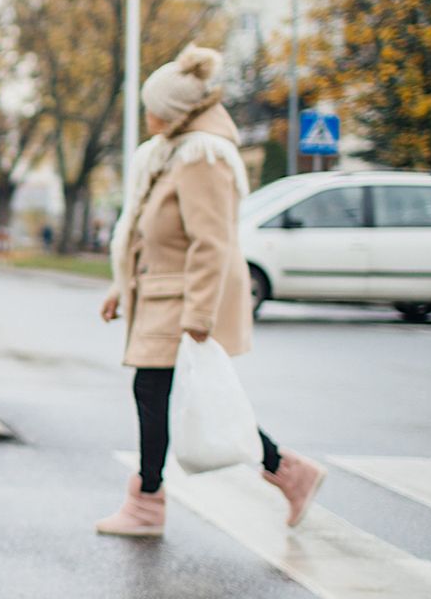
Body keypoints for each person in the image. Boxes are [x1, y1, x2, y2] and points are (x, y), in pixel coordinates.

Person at [96, 46, 325, 536]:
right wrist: (122, 286)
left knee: (153, 392)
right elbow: (146, 230)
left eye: (153, 107)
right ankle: (286, 472)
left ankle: (148, 503)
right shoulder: (171, 153)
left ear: (176, 114)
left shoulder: (203, 157)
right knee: (160, 392)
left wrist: (199, 316)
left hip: (184, 296)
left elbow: (211, 241)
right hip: (160, 290)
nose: (148, 115)